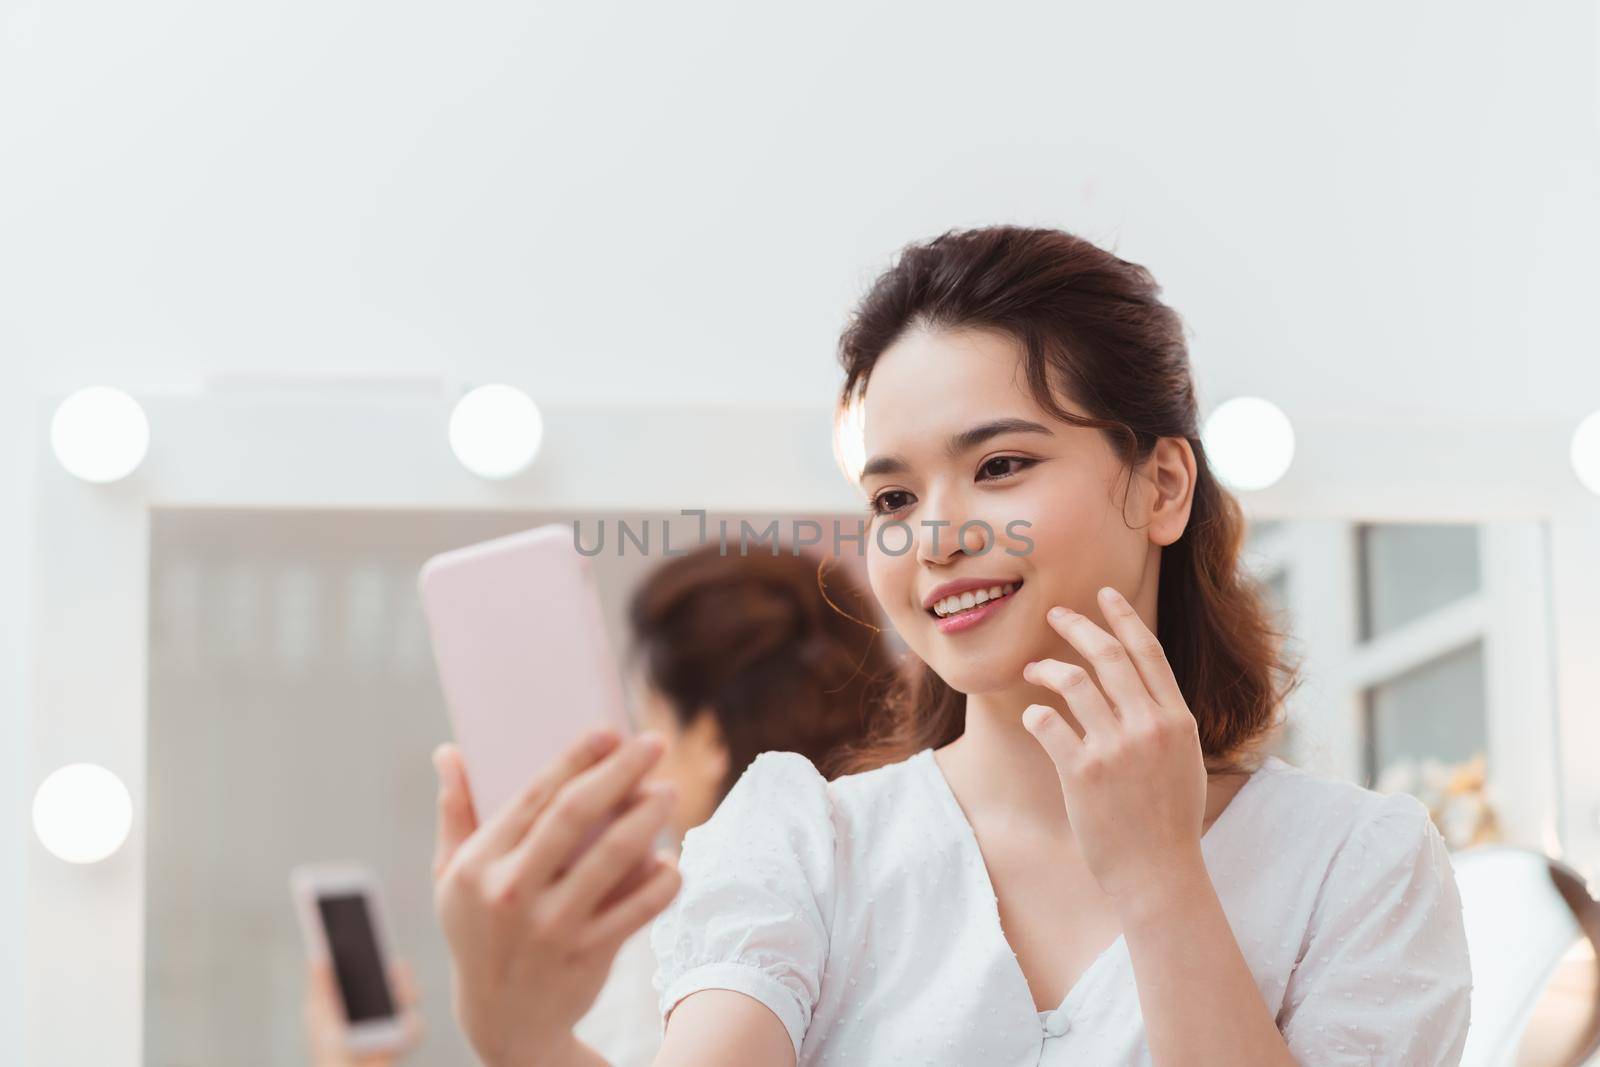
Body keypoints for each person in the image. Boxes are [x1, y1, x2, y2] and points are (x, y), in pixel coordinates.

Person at [430, 225, 1475, 1066]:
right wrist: (523, 1037)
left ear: (1160, 484)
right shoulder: (803, 841)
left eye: (1001, 464)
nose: (935, 533)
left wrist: (1159, 877)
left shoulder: (1359, 863)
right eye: (891, 494)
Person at [432, 544, 892, 1067]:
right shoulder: (899, 874)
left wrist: (518, 1036)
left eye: (648, 721)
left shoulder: (682, 930)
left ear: (709, 740)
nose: (640, 756)